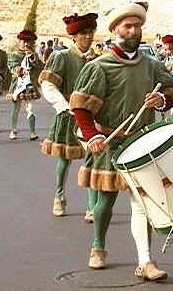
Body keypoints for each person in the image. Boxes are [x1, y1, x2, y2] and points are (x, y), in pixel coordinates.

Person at [70, 3, 173, 280]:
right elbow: (80, 107)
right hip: (110, 139)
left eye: (137, 26)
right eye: (127, 26)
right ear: (116, 30)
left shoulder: (152, 65)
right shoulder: (100, 66)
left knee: (142, 203)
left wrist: (162, 99)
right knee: (105, 201)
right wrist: (93, 134)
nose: (133, 30)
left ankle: (146, 261)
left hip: (143, 141)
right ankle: (98, 246)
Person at [39, 12, 99, 220]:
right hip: (68, 115)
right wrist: (64, 107)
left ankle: (92, 206)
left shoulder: (97, 60)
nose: (88, 36)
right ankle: (59, 196)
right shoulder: (61, 56)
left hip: (91, 118)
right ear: (74, 36)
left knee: (92, 159)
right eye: (83, 33)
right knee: (65, 159)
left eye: (91, 32)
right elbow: (47, 84)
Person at [6, 30, 43, 140]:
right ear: (19, 42)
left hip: (29, 86)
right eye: (23, 41)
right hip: (17, 85)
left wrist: (32, 58)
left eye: (28, 42)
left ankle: (32, 132)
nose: (26, 44)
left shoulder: (34, 55)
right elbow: (12, 67)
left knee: (30, 108)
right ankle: (13, 130)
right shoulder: (14, 55)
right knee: (15, 109)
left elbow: (40, 67)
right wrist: (19, 69)